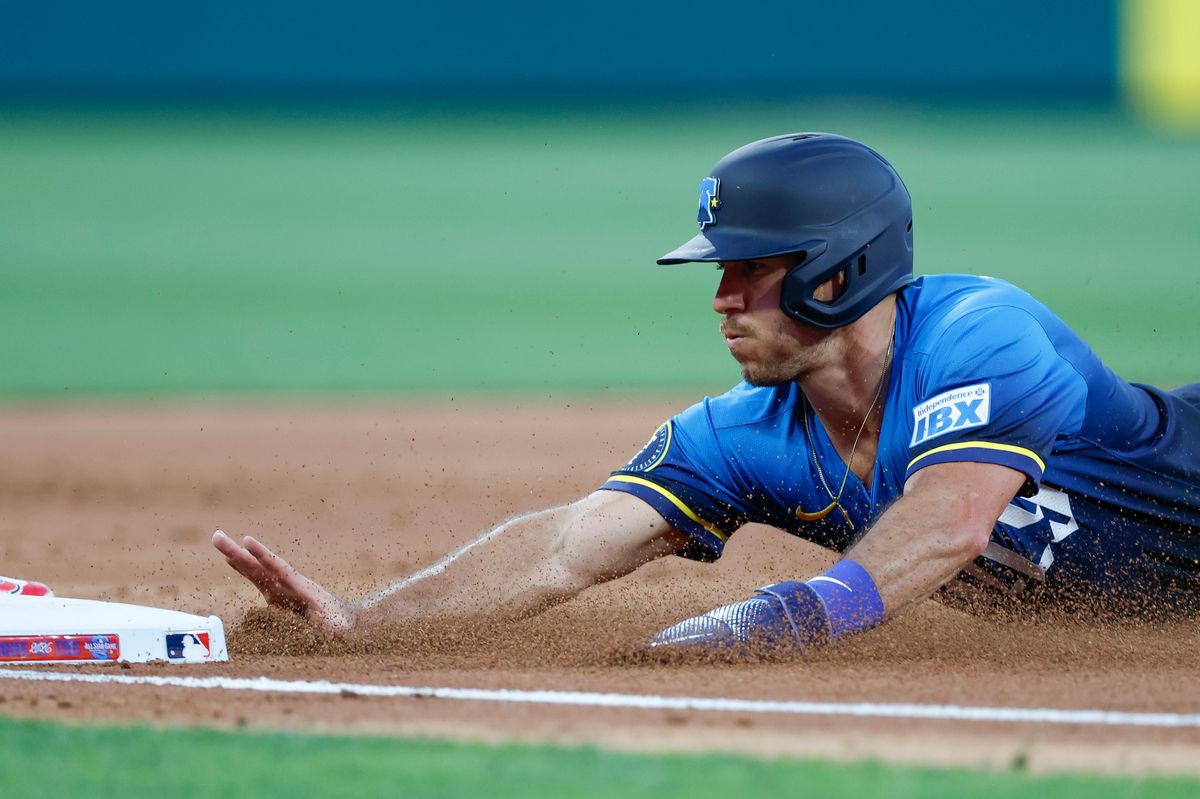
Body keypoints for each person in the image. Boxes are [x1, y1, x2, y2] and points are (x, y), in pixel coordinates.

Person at [213, 132, 1200, 653]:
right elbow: (567, 545)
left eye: (749, 269)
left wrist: (786, 619)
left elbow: (950, 520)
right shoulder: (746, 435)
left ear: (840, 270)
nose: (723, 299)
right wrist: (365, 618)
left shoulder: (981, 335)